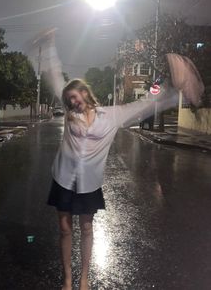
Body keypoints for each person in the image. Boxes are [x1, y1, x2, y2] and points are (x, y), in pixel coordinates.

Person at [43, 33, 203, 290]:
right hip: (63, 179)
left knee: (86, 229)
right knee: (64, 229)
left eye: (76, 96)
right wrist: (48, 47)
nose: (73, 102)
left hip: (88, 184)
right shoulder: (70, 117)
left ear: (85, 93)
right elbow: (54, 77)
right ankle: (67, 280)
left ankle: (83, 279)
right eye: (69, 99)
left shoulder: (111, 116)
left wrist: (175, 90)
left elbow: (146, 104)